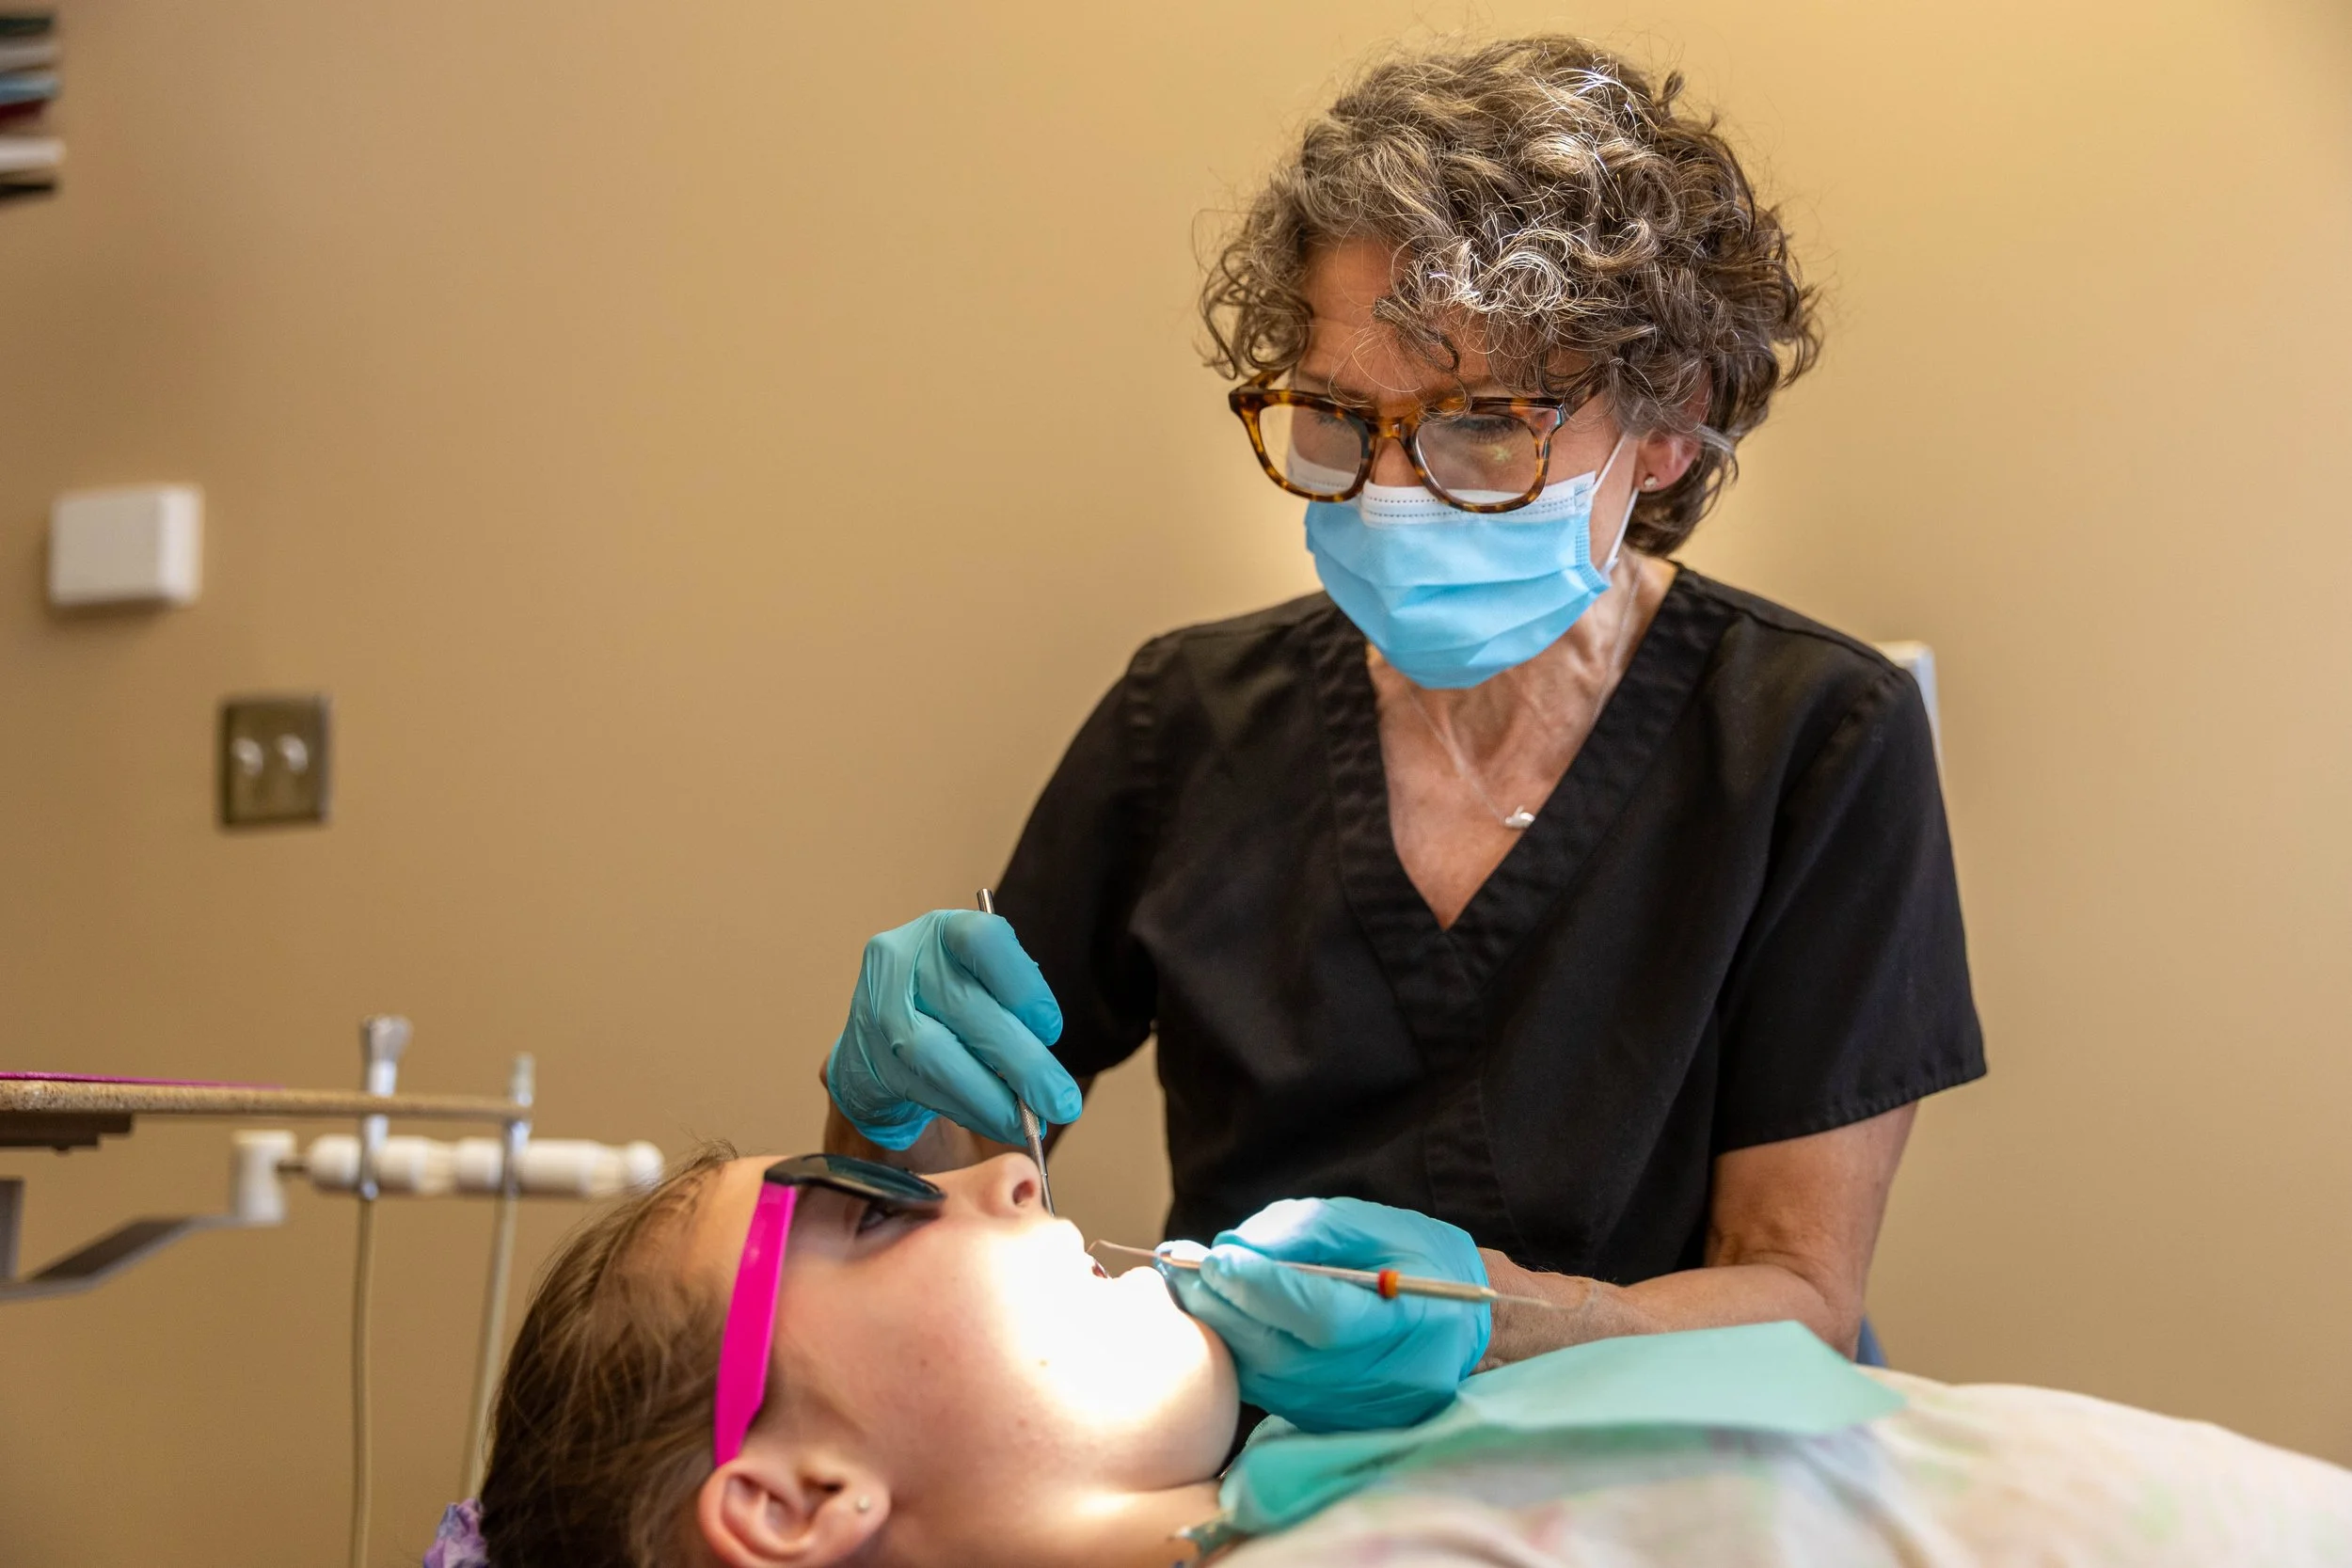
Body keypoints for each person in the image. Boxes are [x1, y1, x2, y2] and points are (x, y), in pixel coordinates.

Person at [823, 35, 1988, 1432]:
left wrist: (1514, 1324)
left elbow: (1800, 1294)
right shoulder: (1185, 724)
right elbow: (944, 1203)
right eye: (1338, 419)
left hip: (1657, 1480)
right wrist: (888, 1114)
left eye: (1480, 428)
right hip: (1253, 1475)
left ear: (1667, 429)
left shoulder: (1812, 741)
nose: (1387, 492)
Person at [457, 1150, 2352, 1568]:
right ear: (791, 1491)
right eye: (875, 1211)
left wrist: (1523, 1330)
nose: (1012, 1165)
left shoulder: (1325, 1481)